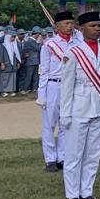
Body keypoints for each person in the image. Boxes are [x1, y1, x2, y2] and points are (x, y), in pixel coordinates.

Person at [59, 12, 100, 199]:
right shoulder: (73, 53)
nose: (97, 28)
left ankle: (86, 191)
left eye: (99, 25)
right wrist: (64, 113)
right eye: (93, 25)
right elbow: (66, 86)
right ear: (81, 28)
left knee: (93, 153)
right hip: (78, 108)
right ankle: (72, 195)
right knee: (74, 154)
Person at [38, 11, 76, 171]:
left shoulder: (77, 43)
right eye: (66, 23)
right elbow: (43, 71)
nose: (70, 26)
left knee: (65, 122)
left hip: (70, 86)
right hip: (53, 85)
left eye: (71, 23)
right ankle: (50, 159)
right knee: (49, 124)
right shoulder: (49, 45)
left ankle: (62, 156)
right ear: (57, 26)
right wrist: (42, 94)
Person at [0, 28, 21, 94]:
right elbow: (0, 54)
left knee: (12, 76)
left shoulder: (14, 44)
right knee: (5, 77)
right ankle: (3, 91)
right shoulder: (3, 45)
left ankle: (11, 90)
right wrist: (2, 63)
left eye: (14, 37)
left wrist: (18, 62)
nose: (13, 38)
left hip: (13, 64)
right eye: (12, 37)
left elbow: (17, 55)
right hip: (6, 63)